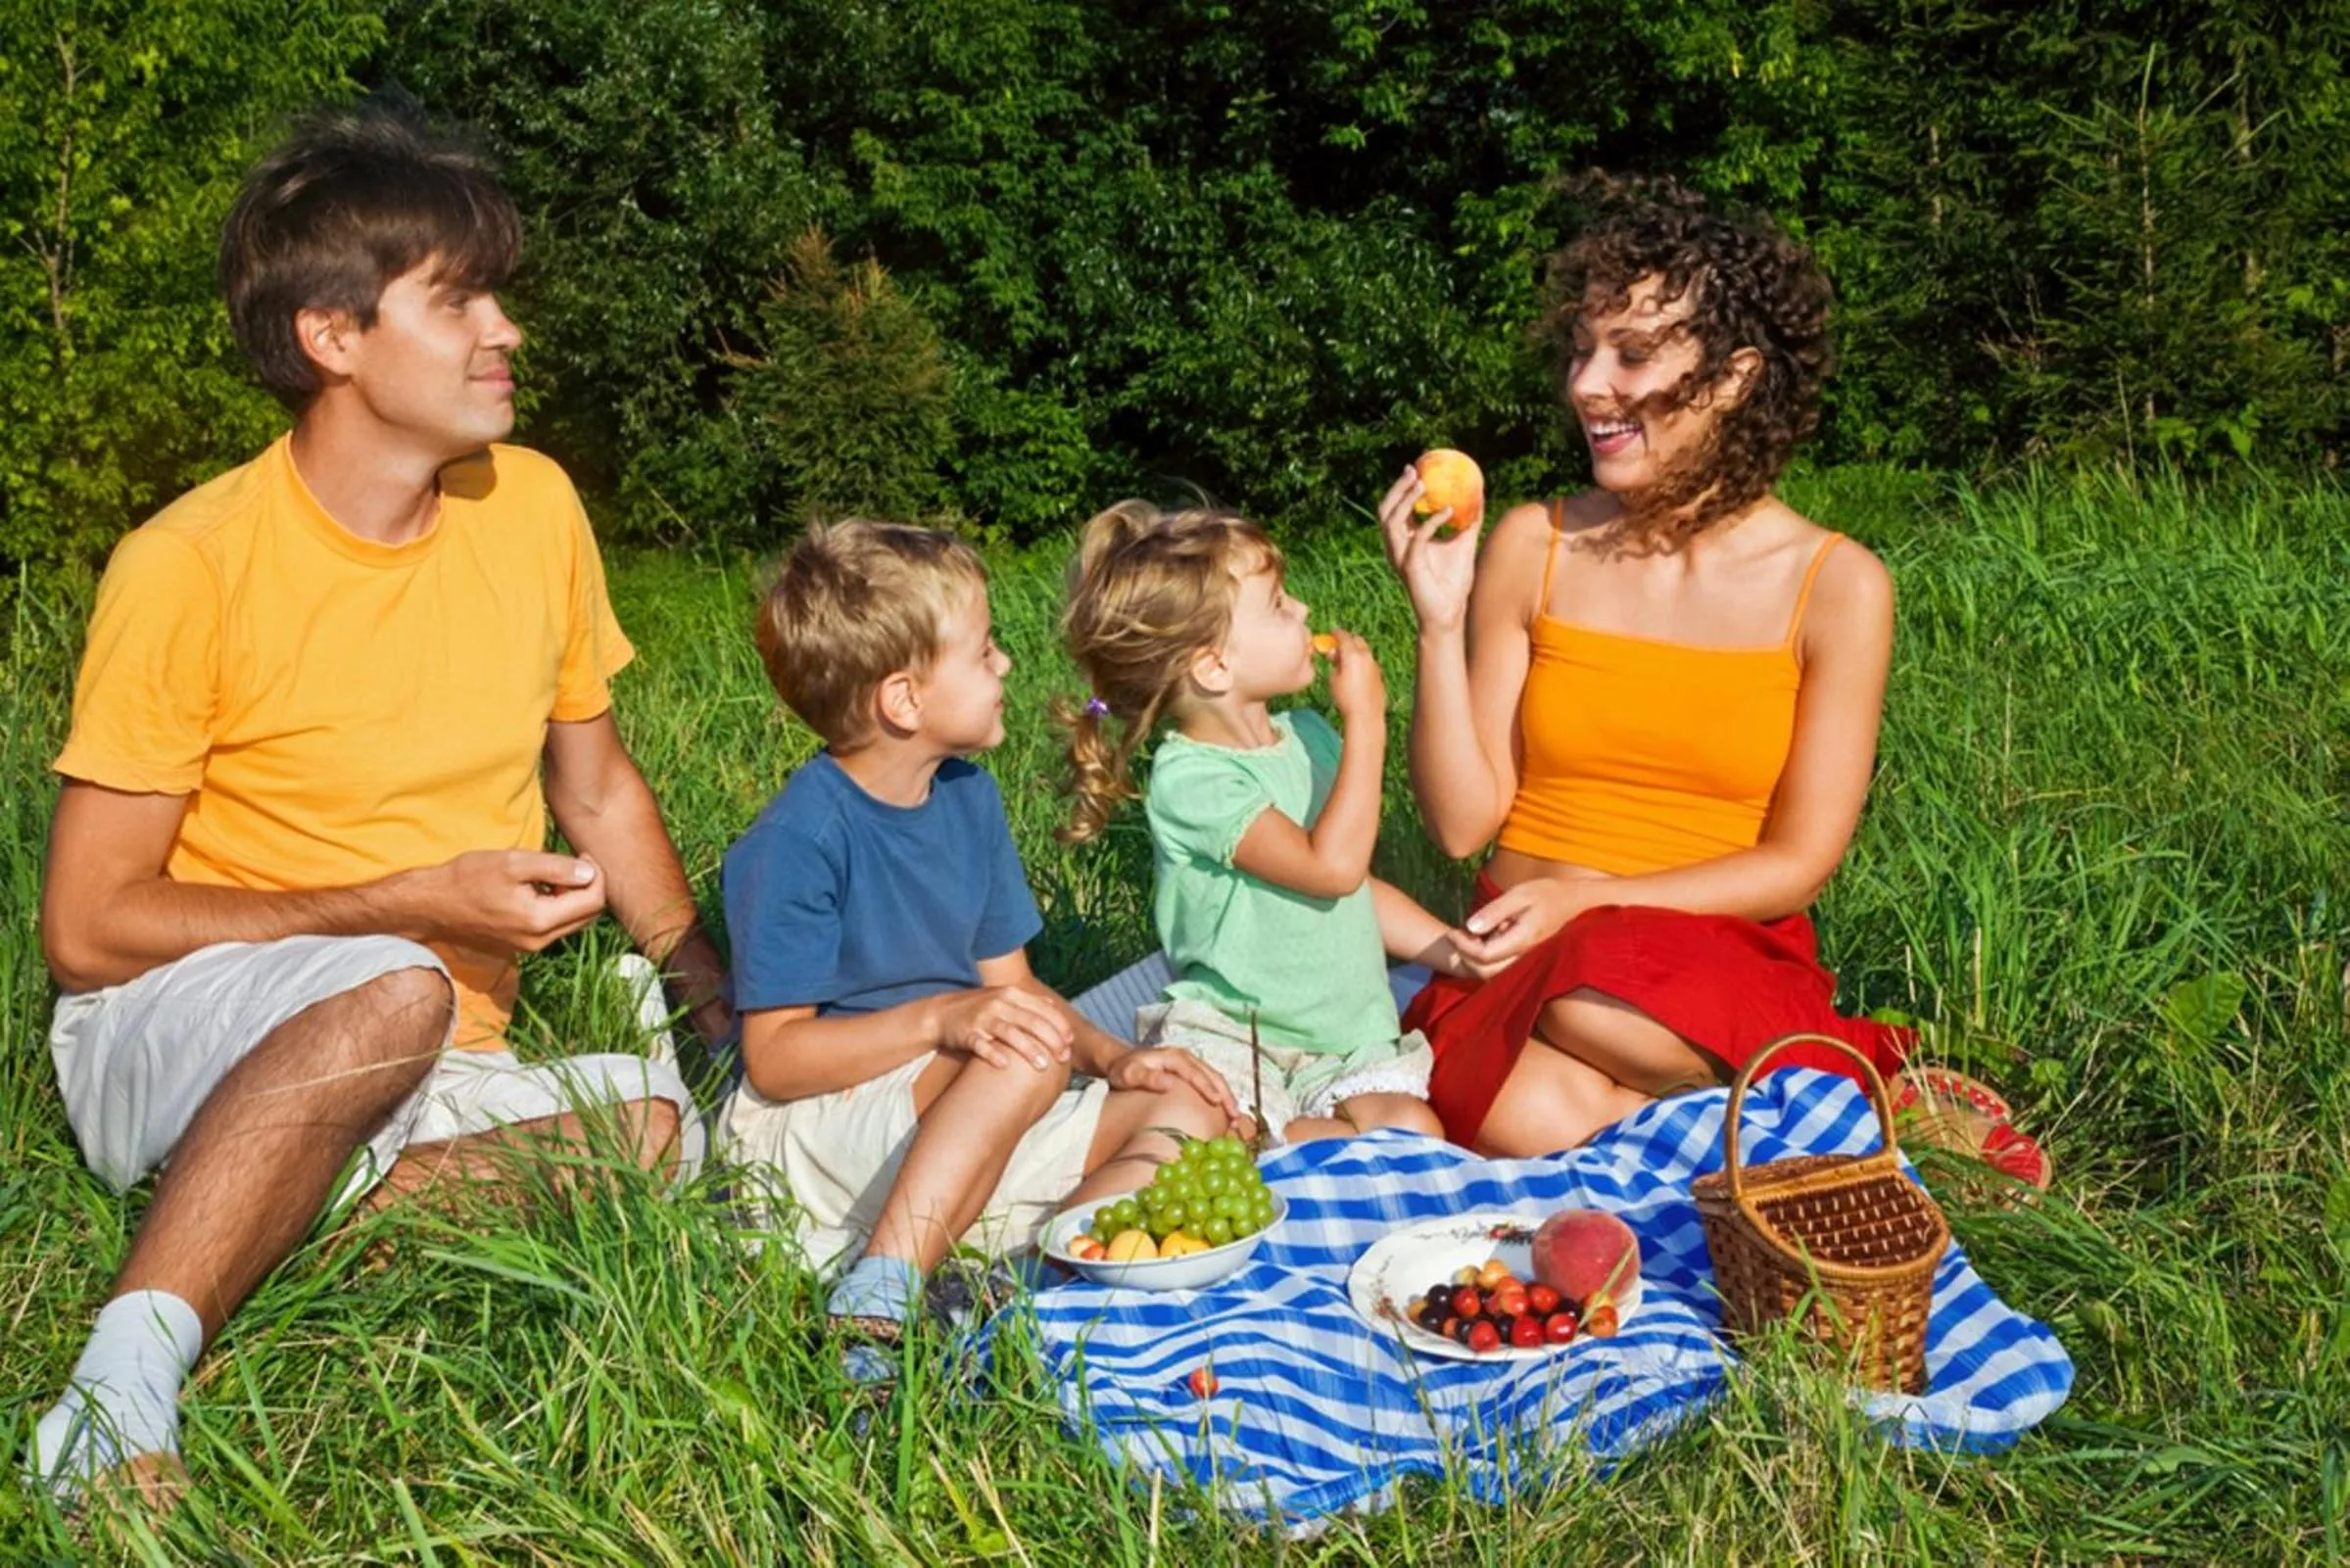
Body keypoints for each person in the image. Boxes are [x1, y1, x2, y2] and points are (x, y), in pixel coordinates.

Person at [24, 103, 731, 1507]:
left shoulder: (528, 507)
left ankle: (270, 1219)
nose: (506, 330)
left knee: (661, 1136)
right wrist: (406, 908)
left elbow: (592, 785)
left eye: (498, 295)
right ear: (331, 337)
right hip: (180, 1018)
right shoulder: (188, 565)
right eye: (458, 298)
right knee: (399, 983)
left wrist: (710, 997)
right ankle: (113, 1391)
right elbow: (88, 930)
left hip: (432, 1049)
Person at [1380, 178, 1924, 1157]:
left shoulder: (1835, 586)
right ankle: (1790, 1125)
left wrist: (1583, 901)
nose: (1587, 385)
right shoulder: (1529, 542)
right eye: (1582, 350)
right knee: (1516, 1116)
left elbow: (1796, 861)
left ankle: (1841, 1071)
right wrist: (1435, 620)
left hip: (1690, 959)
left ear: (1731, 378)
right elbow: (1464, 822)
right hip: (1516, 946)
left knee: (1585, 991)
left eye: (1630, 354)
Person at [717, 519, 1241, 1342]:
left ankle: (1012, 1283)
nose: (1004, 662)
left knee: (1183, 1108)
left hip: (962, 1105)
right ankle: (878, 1298)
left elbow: (1014, 988)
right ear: (903, 697)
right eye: (983, 648)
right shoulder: (800, 838)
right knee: (1023, 1050)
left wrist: (1118, 1059)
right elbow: (775, 1060)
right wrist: (941, 1018)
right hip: (813, 1132)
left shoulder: (968, 798)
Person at [1059, 500, 1465, 1145]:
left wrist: (1452, 947)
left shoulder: (1307, 735)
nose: (1303, 610)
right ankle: (1277, 1144)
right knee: (1216, 1128)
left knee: (1414, 1128)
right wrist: (1369, 721)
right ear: (1212, 665)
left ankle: (1294, 1142)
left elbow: (1352, 886)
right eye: (1278, 604)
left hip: (1345, 1043)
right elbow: (1327, 869)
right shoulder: (1191, 777)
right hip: (1239, 1037)